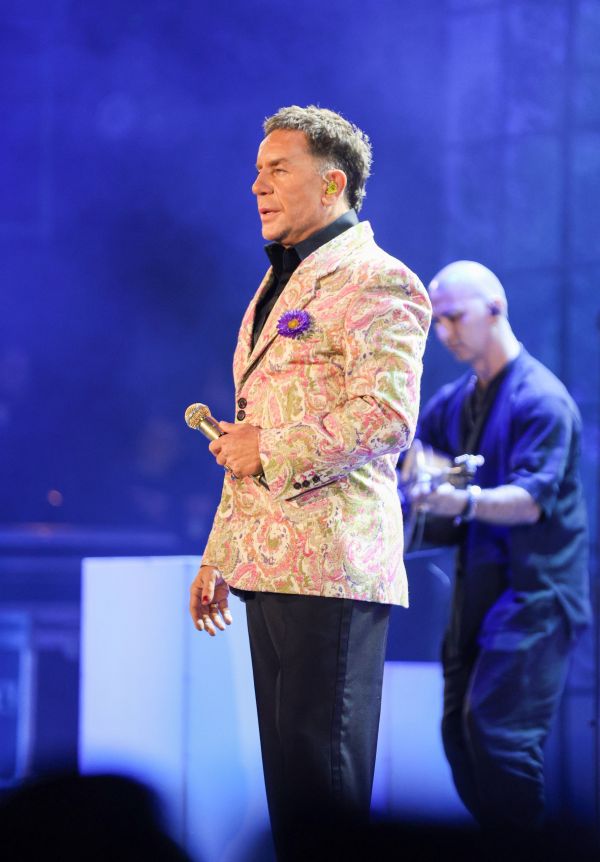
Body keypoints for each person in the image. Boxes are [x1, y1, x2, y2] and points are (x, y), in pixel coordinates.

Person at [188, 105, 431, 859]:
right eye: (257, 170)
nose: (256, 184)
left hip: (333, 568)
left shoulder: (379, 280)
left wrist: (271, 447)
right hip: (270, 565)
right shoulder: (278, 283)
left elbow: (386, 416)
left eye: (277, 169)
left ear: (332, 184)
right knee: (293, 796)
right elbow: (245, 433)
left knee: (323, 790)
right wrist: (218, 554)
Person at [409, 260, 591, 829]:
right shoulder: (453, 402)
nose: (445, 332)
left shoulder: (543, 400)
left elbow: (531, 501)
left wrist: (457, 500)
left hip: (537, 596)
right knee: (458, 735)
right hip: (477, 593)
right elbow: (413, 455)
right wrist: (413, 471)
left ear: (495, 310)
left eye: (454, 317)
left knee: (497, 735)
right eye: (437, 321)